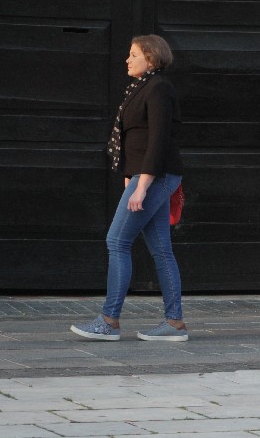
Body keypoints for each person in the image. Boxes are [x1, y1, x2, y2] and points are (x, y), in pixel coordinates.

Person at [71, 35, 187, 342]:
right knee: (161, 249)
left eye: (134, 54)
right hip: (146, 176)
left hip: (155, 176)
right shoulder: (140, 87)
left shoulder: (159, 87)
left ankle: (109, 321)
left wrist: (141, 185)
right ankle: (175, 323)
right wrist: (129, 178)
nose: (127, 59)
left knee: (117, 241)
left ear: (151, 58)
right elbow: (133, 139)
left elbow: (158, 140)